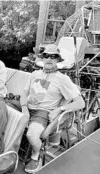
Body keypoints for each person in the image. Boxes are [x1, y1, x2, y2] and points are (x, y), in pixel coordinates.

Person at [20, 44, 85, 173]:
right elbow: (24, 94)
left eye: (53, 56)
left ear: (57, 60)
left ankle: (35, 156)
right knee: (4, 109)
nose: (49, 59)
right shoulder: (34, 74)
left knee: (32, 135)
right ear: (42, 58)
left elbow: (80, 103)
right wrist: (24, 108)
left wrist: (59, 109)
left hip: (43, 112)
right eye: (46, 56)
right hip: (27, 106)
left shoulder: (63, 79)